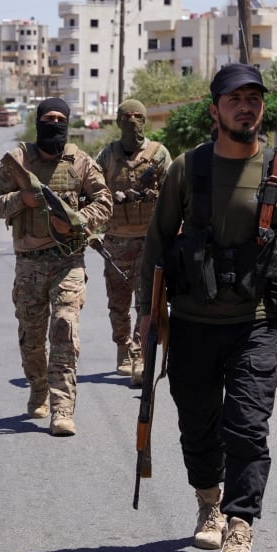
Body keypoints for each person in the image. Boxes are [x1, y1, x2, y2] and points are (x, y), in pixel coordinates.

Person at [138, 63, 277, 552]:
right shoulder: (187, 169)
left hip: (254, 323)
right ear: (215, 110)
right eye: (235, 99)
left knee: (248, 426)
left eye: (253, 99)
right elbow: (158, 245)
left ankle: (240, 525)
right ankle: (209, 498)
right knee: (197, 423)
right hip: (191, 322)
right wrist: (149, 314)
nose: (246, 107)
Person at [0, 97, 112, 436]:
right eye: (49, 117)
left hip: (68, 261)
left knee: (64, 326)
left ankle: (62, 407)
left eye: (61, 118)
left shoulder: (80, 162)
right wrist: (21, 199)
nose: (54, 123)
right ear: (39, 121)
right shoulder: (18, 161)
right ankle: (38, 386)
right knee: (31, 339)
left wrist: (77, 221)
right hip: (28, 263)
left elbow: (105, 201)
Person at [94, 99, 172, 385]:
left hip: (150, 241)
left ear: (146, 120)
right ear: (118, 121)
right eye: (127, 117)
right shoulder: (107, 156)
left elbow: (173, 194)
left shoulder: (159, 154)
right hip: (115, 240)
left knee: (146, 302)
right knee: (118, 301)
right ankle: (122, 348)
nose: (133, 122)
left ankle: (140, 356)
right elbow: (90, 191)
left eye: (139, 117)